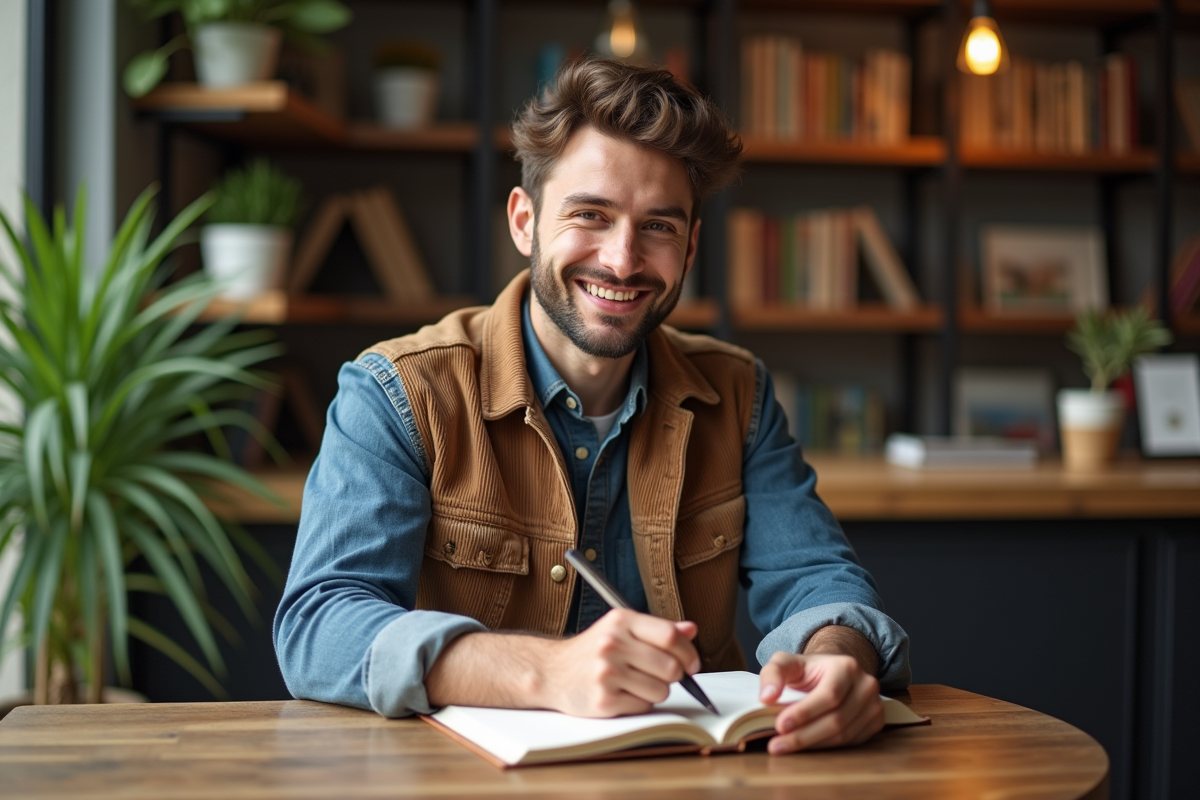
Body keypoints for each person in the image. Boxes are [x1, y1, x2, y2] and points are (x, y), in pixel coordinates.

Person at [274, 58, 910, 755]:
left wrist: (841, 657)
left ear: (691, 246)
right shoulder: (396, 392)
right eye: (590, 215)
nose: (622, 259)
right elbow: (319, 626)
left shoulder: (739, 392)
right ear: (524, 222)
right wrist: (545, 670)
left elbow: (817, 578)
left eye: (659, 227)